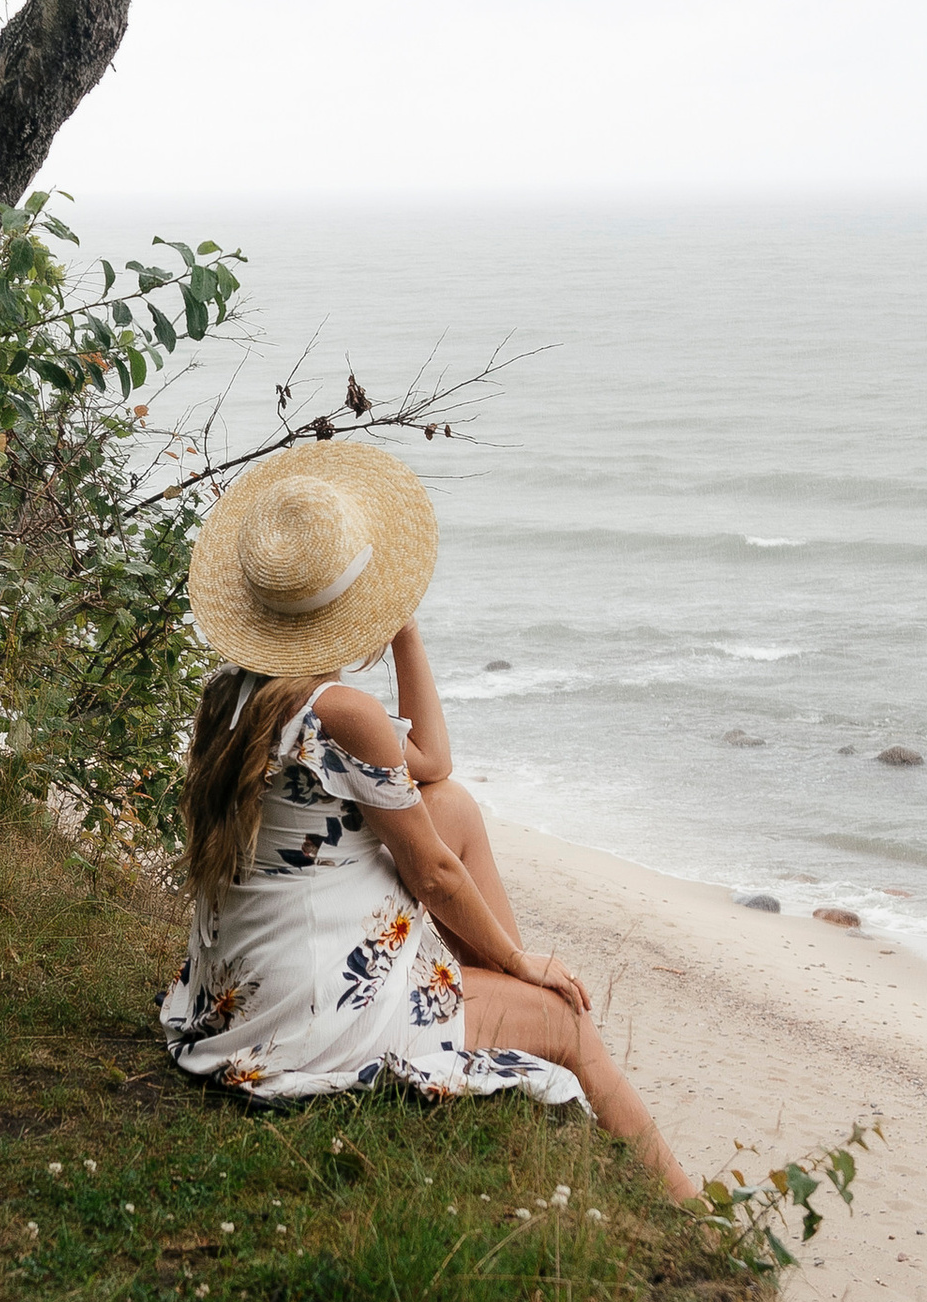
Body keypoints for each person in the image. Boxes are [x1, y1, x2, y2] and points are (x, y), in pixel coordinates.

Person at [159, 442, 695, 1200]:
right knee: (566, 1025)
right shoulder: (344, 712)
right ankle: (699, 1223)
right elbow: (435, 876)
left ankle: (482, 996)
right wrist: (521, 962)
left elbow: (433, 765)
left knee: (454, 807)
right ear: (353, 603)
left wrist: (400, 626)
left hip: (240, 990)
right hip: (306, 1019)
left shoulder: (234, 693)